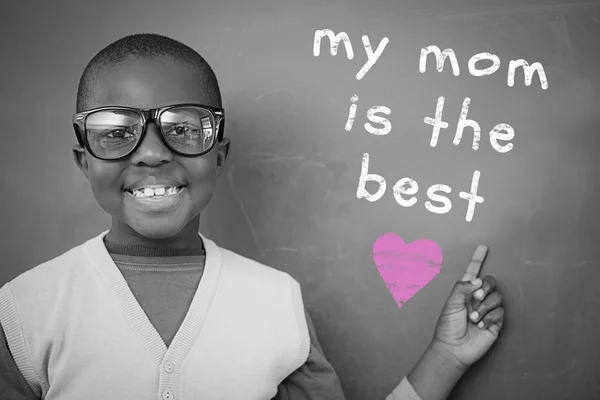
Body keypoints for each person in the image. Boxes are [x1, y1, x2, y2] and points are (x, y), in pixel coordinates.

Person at [0, 33, 504, 400]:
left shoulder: (275, 299)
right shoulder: (24, 311)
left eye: (185, 128)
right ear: (83, 159)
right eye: (115, 131)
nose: (151, 154)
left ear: (218, 156)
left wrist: (445, 357)